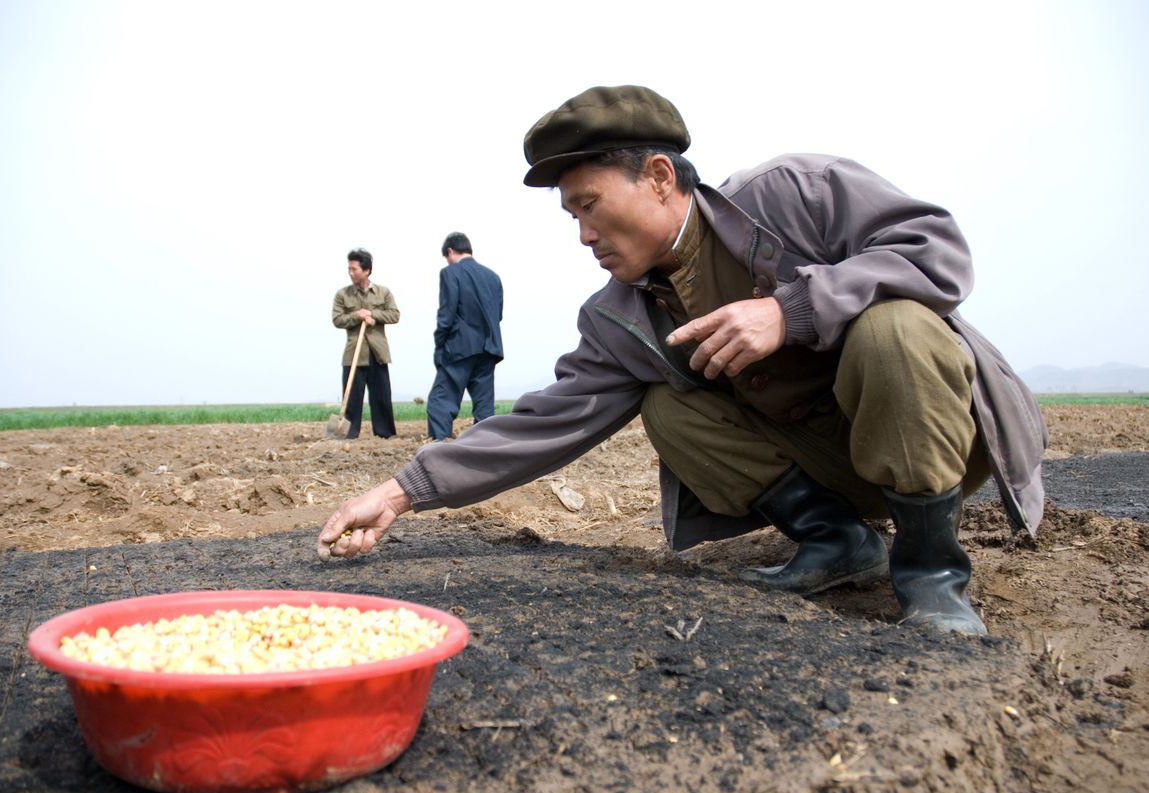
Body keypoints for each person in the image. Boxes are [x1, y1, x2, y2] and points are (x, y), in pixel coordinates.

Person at [318, 85, 1047, 637]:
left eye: (590, 205)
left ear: (660, 177)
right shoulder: (620, 315)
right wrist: (401, 489)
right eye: (572, 215)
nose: (582, 234)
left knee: (893, 329)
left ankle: (930, 574)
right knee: (666, 407)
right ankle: (839, 541)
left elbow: (937, 249)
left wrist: (789, 310)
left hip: (930, 437)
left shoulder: (790, 195)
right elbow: (544, 422)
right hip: (831, 465)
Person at [425, 232, 505, 440]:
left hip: (460, 346)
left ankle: (439, 444)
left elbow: (447, 314)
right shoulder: (492, 276)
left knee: (441, 400)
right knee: (484, 404)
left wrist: (440, 345)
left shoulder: (450, 273)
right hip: (490, 347)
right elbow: (498, 314)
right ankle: (486, 443)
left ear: (450, 251)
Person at [331, 247, 400, 439]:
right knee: (352, 396)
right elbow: (337, 319)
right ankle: (350, 433)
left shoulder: (383, 293)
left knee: (381, 396)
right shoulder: (343, 295)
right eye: (349, 269)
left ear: (366, 270)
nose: (351, 273)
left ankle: (385, 433)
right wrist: (356, 315)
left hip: (378, 352)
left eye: (354, 269)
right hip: (354, 353)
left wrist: (373, 315)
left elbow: (394, 315)